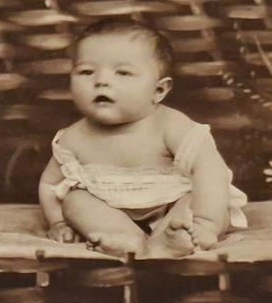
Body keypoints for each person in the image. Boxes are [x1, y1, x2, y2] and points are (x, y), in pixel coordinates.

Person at [38, 19, 247, 258]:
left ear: (158, 90)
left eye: (123, 72)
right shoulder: (73, 137)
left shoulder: (170, 125)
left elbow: (211, 170)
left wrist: (206, 222)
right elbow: (49, 185)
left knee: (197, 197)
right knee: (75, 201)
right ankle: (126, 239)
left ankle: (178, 236)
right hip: (109, 213)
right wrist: (58, 223)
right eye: (86, 71)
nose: (101, 81)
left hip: (172, 205)